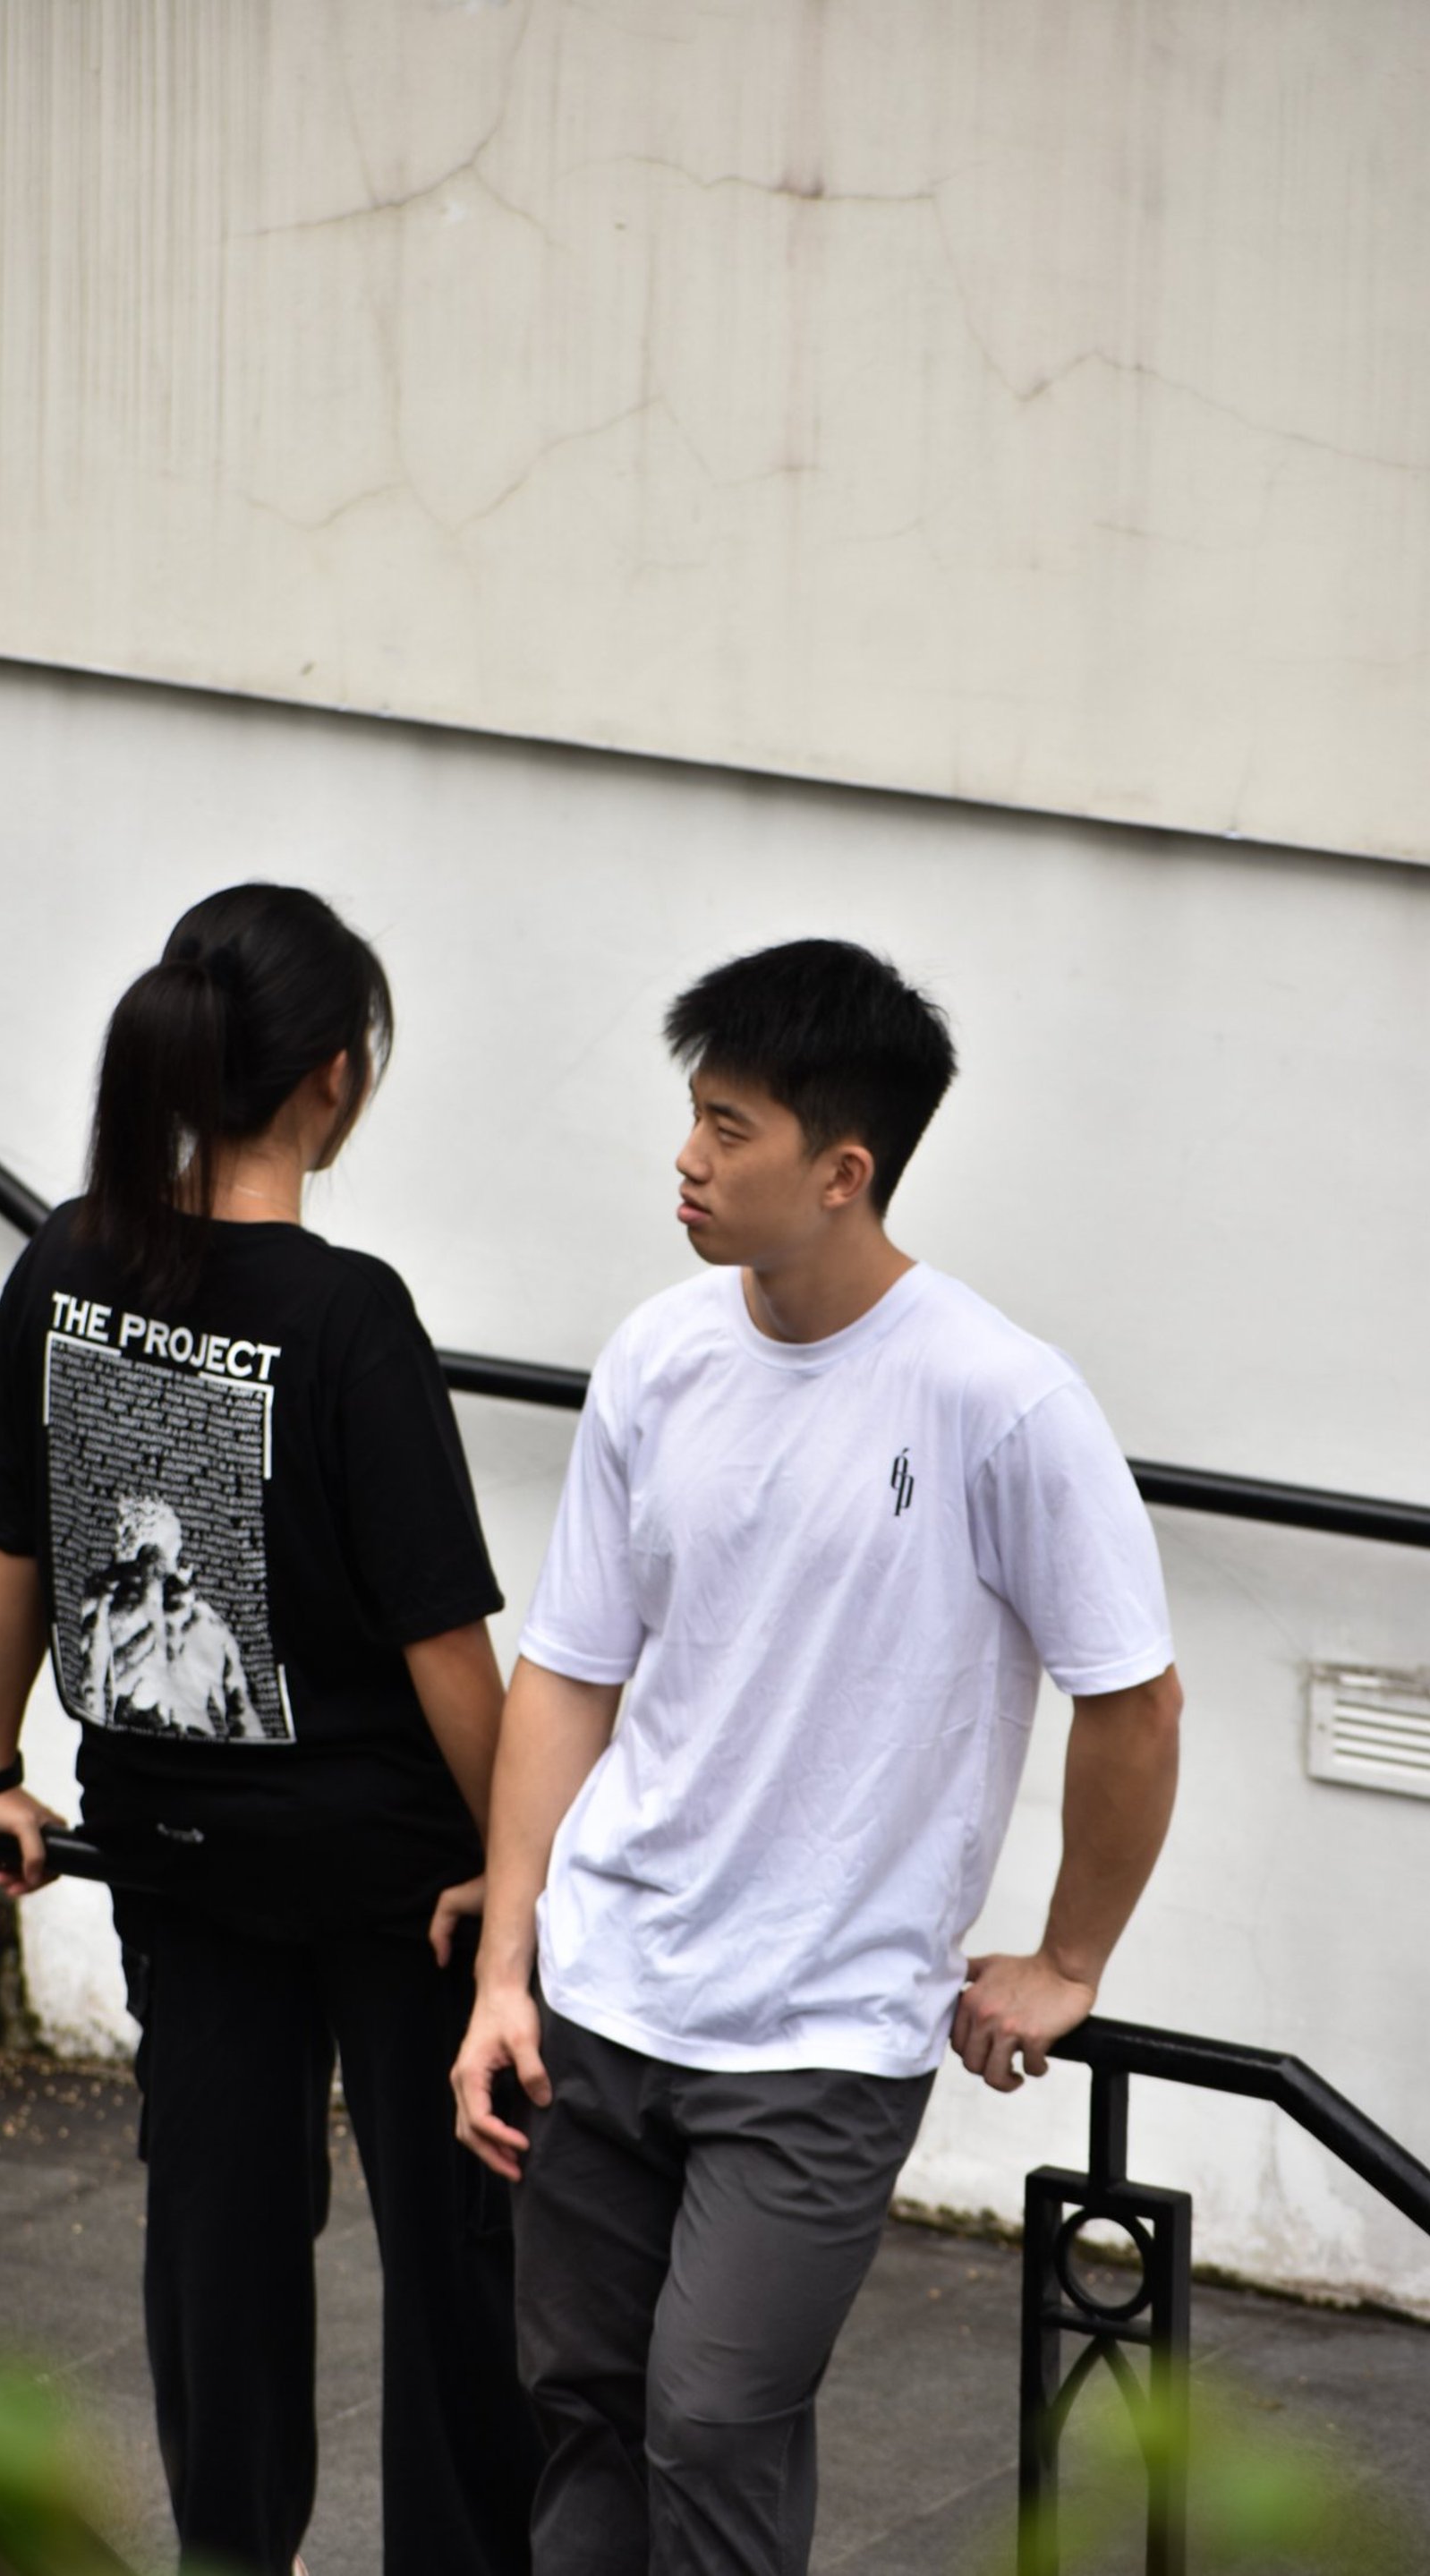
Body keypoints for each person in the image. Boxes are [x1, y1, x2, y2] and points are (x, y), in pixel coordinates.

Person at [452, 936, 1182, 2576]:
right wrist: (510, 1967)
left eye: (729, 1125)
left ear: (843, 1171)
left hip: (822, 2035)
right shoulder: (661, 1354)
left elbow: (1135, 1695)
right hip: (605, 1985)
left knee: (710, 2421)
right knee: (580, 2401)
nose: (687, 1159)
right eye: (693, 1116)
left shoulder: (999, 1401)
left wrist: (1071, 1957)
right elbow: (566, 1670)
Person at [0, 883, 541, 2576]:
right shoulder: (350, 1315)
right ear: (335, 1081)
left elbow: (19, 1561)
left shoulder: (63, 1261)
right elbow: (448, 1654)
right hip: (387, 1871)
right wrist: (520, 1878)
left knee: (220, 2236)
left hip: (169, 1844)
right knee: (450, 2250)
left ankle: (233, 2554)